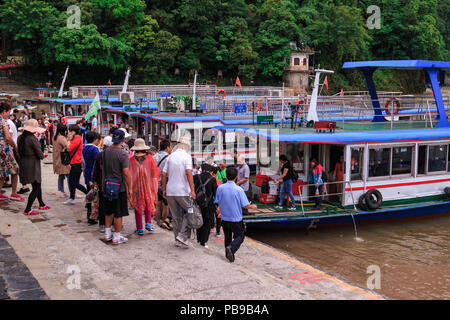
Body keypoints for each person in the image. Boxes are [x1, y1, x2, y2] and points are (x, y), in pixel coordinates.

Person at [215, 167, 257, 262]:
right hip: (236, 218)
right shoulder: (238, 190)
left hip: (225, 218)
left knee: (227, 236)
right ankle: (231, 249)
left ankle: (228, 254)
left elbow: (217, 201)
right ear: (236, 177)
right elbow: (245, 205)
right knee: (240, 236)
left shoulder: (220, 188)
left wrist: (219, 211)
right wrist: (253, 206)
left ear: (226, 176)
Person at [162, 135, 196, 247]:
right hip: (183, 192)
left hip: (171, 191)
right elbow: (189, 173)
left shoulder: (170, 156)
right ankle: (182, 236)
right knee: (190, 212)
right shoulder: (186, 157)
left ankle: (177, 240)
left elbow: (163, 174)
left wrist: (164, 189)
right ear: (186, 146)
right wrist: (193, 190)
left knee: (176, 217)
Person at [103, 129, 132, 245]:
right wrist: (130, 188)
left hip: (106, 185)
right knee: (118, 213)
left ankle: (107, 234)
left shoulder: (105, 151)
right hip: (119, 188)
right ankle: (116, 236)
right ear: (123, 140)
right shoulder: (123, 154)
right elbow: (126, 172)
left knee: (109, 211)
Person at [17, 119, 50, 215]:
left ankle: (41, 203)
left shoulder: (20, 138)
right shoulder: (32, 139)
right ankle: (28, 209)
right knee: (36, 186)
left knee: (36, 184)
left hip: (23, 162)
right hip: (33, 164)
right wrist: (43, 155)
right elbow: (40, 155)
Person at [128, 138, 159, 236]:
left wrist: (130, 188)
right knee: (148, 202)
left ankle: (139, 228)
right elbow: (155, 172)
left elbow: (129, 174)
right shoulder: (149, 158)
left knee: (138, 205)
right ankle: (148, 223)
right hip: (148, 186)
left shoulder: (131, 160)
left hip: (136, 186)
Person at [1, 103, 24, 202]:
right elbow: (8, 137)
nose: (9, 115)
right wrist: (15, 147)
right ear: (4, 111)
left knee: (3, 172)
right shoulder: (4, 121)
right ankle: (14, 193)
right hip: (5, 149)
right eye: (8, 112)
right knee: (15, 169)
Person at [92, 135, 113, 233]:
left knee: (102, 203)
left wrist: (95, 181)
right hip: (112, 183)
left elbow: (95, 170)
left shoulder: (100, 154)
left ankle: (102, 224)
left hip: (101, 182)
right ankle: (111, 224)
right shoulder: (112, 154)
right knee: (111, 203)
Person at [194, 163, 217, 248]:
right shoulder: (212, 179)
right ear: (210, 171)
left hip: (197, 203)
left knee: (198, 220)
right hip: (208, 205)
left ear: (202, 169)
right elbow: (215, 194)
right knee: (207, 223)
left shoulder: (196, 177)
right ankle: (204, 242)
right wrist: (217, 205)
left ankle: (198, 239)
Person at [65, 125, 88, 205]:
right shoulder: (76, 138)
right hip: (74, 162)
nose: (69, 132)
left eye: (70, 131)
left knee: (75, 183)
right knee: (71, 181)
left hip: (76, 163)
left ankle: (88, 194)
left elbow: (69, 148)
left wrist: (68, 140)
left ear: (73, 132)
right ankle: (72, 198)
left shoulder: (77, 138)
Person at [153, 139, 173, 230]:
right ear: (167, 147)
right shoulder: (169, 158)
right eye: (171, 147)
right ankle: (165, 222)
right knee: (166, 204)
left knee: (157, 203)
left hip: (155, 183)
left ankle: (157, 223)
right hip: (164, 184)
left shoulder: (154, 156)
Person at [83, 131, 100, 225]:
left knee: (89, 194)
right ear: (95, 139)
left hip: (87, 171)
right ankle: (92, 217)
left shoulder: (85, 148)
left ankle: (89, 214)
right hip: (93, 173)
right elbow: (97, 162)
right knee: (95, 196)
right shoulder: (94, 149)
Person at [52, 124, 71, 198]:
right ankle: (71, 191)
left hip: (57, 158)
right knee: (68, 175)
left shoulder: (55, 137)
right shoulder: (62, 138)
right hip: (63, 160)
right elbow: (68, 147)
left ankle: (61, 190)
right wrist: (69, 139)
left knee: (61, 175)